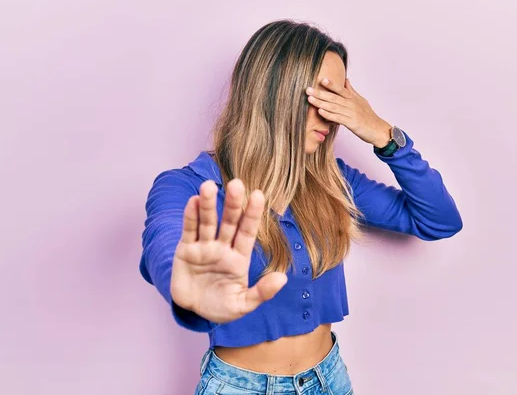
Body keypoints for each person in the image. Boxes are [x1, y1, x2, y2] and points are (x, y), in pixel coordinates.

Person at [139, 19, 463, 395]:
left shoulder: (330, 179)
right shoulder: (188, 185)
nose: (332, 114)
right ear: (275, 91)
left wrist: (383, 134)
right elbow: (166, 242)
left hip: (330, 379)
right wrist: (188, 288)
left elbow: (439, 220)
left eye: (341, 99)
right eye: (321, 97)